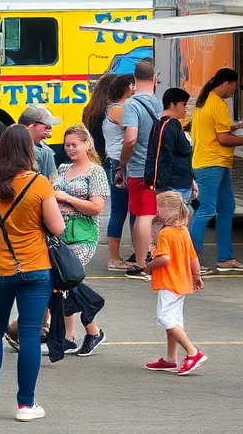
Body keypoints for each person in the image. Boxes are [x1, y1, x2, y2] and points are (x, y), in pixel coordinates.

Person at [0, 125, 66, 421]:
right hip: (35, 266)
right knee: (31, 334)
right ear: (28, 151)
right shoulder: (39, 183)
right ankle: (25, 404)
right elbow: (57, 227)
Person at [189, 68, 243, 274]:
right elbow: (223, 138)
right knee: (206, 211)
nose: (233, 91)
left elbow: (221, 128)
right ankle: (192, 261)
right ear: (227, 83)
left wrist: (240, 124)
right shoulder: (216, 103)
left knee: (226, 208)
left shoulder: (204, 102)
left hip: (213, 163)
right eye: (234, 87)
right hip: (211, 164)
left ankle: (225, 259)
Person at [52, 123, 109, 355]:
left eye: (75, 144)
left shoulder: (96, 172)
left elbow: (96, 207)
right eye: (67, 145)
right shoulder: (63, 168)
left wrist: (66, 198)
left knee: (67, 278)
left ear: (87, 144)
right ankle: (70, 336)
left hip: (83, 233)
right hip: (59, 233)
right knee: (61, 283)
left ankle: (93, 331)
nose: (71, 149)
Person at [143, 192, 207, 375]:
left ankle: (192, 352)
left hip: (169, 282)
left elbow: (164, 259)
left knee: (165, 319)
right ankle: (171, 358)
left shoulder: (165, 233)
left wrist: (148, 266)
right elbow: (193, 257)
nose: (156, 211)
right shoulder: (183, 231)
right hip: (182, 282)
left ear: (167, 211)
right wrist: (196, 276)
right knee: (174, 320)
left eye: (158, 208)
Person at [120, 59, 164, 278]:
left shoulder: (131, 104)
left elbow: (130, 139)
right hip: (157, 168)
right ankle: (145, 256)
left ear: (134, 79)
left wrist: (122, 163)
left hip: (138, 168)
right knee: (148, 213)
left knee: (142, 214)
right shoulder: (158, 103)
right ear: (155, 78)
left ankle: (140, 263)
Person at [100, 75, 135, 272]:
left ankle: (122, 256)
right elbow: (133, 131)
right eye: (134, 85)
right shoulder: (118, 109)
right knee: (120, 211)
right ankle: (114, 257)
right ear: (128, 87)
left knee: (127, 210)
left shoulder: (115, 108)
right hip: (119, 164)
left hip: (118, 162)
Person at [146, 88, 196, 201]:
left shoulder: (171, 124)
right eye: (183, 105)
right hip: (173, 186)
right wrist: (160, 185)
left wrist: (191, 179)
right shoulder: (167, 125)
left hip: (180, 182)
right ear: (173, 105)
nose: (186, 109)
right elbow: (160, 155)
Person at [17, 105, 60, 180]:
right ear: (33, 125)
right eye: (47, 126)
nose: (50, 130)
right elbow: (53, 184)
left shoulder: (7, 145)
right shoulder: (46, 152)